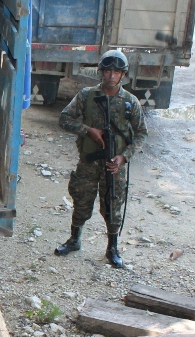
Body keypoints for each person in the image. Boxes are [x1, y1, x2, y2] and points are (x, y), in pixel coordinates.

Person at [54, 51, 147, 269]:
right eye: (108, 71)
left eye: (116, 72)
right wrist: (88, 131)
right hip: (88, 161)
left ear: (123, 75)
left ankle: (112, 248)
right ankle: (74, 239)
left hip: (114, 165)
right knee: (82, 199)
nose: (111, 76)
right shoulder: (86, 95)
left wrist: (124, 157)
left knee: (113, 203)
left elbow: (142, 133)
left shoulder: (130, 102)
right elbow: (64, 119)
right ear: (101, 72)